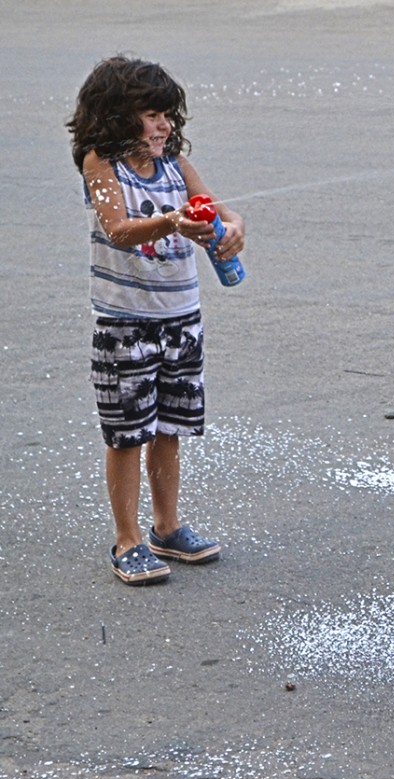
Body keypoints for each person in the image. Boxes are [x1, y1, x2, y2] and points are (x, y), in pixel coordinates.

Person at [67, 55, 245, 586]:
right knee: (127, 433)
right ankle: (128, 539)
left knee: (170, 427)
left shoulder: (177, 165)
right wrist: (173, 221)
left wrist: (234, 226)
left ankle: (167, 528)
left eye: (168, 114)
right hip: (126, 323)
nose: (164, 125)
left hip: (181, 317)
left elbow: (219, 210)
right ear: (117, 116)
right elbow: (119, 228)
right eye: (151, 114)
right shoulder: (102, 163)